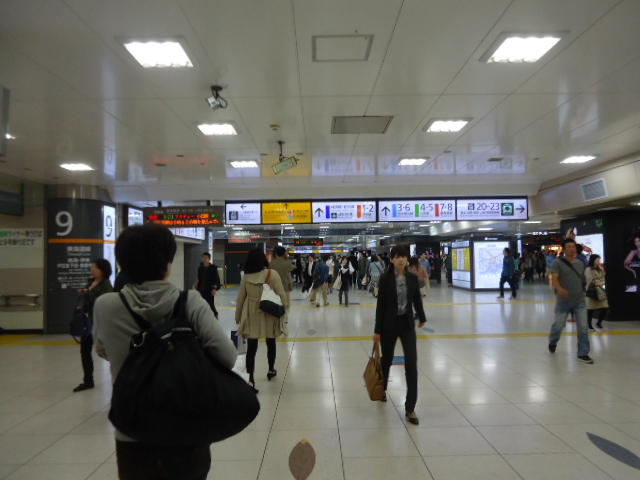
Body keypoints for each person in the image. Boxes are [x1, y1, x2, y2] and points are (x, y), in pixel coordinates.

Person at [94, 224, 237, 479]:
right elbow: (227, 356)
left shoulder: (105, 306)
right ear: (169, 263)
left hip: (132, 426)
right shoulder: (190, 302)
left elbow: (102, 349)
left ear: (122, 264)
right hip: (186, 425)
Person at [373, 246, 427, 426]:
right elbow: (380, 306)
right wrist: (377, 330)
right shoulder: (385, 278)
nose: (402, 260)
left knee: (411, 363)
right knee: (386, 360)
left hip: (407, 325)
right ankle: (382, 389)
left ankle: (410, 407)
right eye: (397, 257)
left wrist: (422, 317)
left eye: (404, 256)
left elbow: (416, 299)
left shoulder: (412, 278)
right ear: (391, 260)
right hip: (389, 326)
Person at [236, 248, 287, 391]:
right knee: (271, 342)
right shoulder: (272, 274)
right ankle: (271, 369)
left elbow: (241, 298)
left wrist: (238, 316)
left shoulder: (246, 276)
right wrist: (284, 312)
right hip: (270, 312)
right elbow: (281, 294)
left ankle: (251, 379)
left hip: (252, 313)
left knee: (251, 348)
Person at [548, 238, 593, 364]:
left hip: (579, 300)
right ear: (564, 249)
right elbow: (554, 279)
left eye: (573, 246)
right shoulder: (557, 263)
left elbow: (582, 279)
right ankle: (553, 341)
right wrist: (560, 289)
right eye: (569, 247)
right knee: (558, 326)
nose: (572, 249)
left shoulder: (580, 263)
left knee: (583, 328)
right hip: (563, 301)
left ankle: (583, 353)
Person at [74, 258, 113, 392]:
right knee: (85, 351)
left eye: (95, 267)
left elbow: (101, 302)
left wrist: (88, 293)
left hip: (101, 323)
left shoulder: (106, 285)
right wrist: (82, 298)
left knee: (108, 352)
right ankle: (88, 380)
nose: (92, 269)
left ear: (103, 270)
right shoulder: (91, 282)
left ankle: (117, 377)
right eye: (92, 267)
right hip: (87, 322)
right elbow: (86, 301)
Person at [269, 246, 293, 335]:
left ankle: (277, 325)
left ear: (275, 254)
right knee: (285, 307)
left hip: (274, 289)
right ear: (283, 254)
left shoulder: (271, 264)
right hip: (285, 289)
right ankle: (284, 326)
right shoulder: (287, 263)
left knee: (276, 307)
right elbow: (289, 276)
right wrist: (290, 286)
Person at [194, 252, 221, 319]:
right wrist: (196, 284)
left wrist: (214, 289)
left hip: (210, 290)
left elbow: (216, 279)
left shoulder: (213, 268)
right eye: (203, 258)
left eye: (206, 258)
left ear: (209, 259)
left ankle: (215, 314)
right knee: (202, 303)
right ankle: (203, 317)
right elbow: (199, 278)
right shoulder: (200, 268)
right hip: (201, 289)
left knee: (210, 304)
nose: (204, 259)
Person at [585, 254, 608, 330]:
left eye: (599, 259)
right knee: (590, 309)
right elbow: (590, 280)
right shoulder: (588, 269)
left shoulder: (600, 268)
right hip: (592, 291)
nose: (599, 261)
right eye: (597, 259)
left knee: (605, 308)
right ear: (593, 260)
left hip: (601, 291)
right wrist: (599, 283)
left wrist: (601, 283)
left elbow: (604, 278)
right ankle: (589, 324)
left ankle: (599, 322)